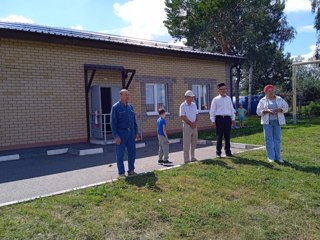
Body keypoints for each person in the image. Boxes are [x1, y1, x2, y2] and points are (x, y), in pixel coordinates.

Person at [110, 89, 140, 177]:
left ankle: (131, 170)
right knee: (120, 153)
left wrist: (136, 132)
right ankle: (121, 173)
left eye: (128, 95)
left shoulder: (130, 107)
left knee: (132, 152)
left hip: (131, 132)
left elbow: (134, 121)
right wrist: (116, 136)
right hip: (121, 133)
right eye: (125, 95)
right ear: (120, 96)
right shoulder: (115, 107)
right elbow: (113, 123)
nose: (127, 97)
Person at [256, 84, 288, 164]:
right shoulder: (262, 100)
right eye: (269, 91)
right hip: (267, 122)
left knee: (277, 140)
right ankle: (271, 157)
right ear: (265, 92)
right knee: (268, 140)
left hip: (277, 121)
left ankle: (278, 157)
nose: (271, 92)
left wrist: (281, 109)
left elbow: (286, 108)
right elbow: (258, 111)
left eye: (272, 91)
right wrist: (266, 111)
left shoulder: (279, 99)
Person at [209, 83, 236, 158]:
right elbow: (212, 111)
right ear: (219, 90)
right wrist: (213, 120)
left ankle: (228, 152)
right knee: (219, 136)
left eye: (225, 89)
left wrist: (233, 118)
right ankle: (218, 153)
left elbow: (231, 109)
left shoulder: (228, 98)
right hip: (219, 119)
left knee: (227, 136)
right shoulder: (215, 99)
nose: (224, 90)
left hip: (227, 119)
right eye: (222, 89)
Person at [179, 90, 199, 163]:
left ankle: (193, 157)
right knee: (187, 143)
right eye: (191, 97)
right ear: (186, 97)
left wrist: (195, 123)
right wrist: (191, 123)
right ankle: (186, 159)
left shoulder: (194, 104)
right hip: (187, 125)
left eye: (192, 97)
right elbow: (182, 116)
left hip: (194, 125)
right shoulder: (183, 105)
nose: (192, 98)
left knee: (194, 141)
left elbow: (197, 114)